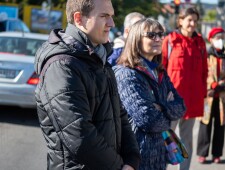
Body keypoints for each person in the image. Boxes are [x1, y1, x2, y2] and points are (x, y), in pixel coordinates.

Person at [34, 0, 141, 169]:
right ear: (79, 19)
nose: (112, 23)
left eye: (112, 16)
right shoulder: (62, 66)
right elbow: (78, 134)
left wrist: (132, 159)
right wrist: (119, 167)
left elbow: (119, 115)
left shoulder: (99, 57)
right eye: (104, 16)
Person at [113, 18, 186, 170]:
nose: (159, 39)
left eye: (161, 34)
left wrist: (160, 107)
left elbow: (181, 106)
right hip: (137, 154)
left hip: (160, 152)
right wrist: (168, 112)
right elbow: (148, 119)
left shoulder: (159, 72)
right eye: (152, 35)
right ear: (136, 39)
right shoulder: (127, 74)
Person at [162, 7, 208, 170]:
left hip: (192, 100)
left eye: (195, 20)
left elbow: (204, 72)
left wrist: (203, 94)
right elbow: (161, 69)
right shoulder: (169, 41)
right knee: (166, 139)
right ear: (180, 20)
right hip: (171, 101)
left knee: (186, 140)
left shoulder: (200, 43)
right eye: (189, 20)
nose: (192, 23)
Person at [197, 27, 225, 164]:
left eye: (222, 37)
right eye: (218, 37)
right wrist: (212, 83)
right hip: (208, 96)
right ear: (211, 40)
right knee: (205, 125)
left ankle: (217, 154)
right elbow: (202, 72)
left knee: (220, 125)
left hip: (222, 97)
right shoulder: (206, 54)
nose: (220, 40)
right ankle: (202, 153)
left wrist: (222, 83)